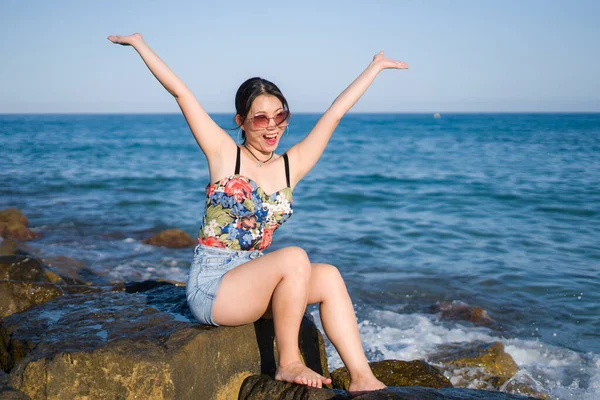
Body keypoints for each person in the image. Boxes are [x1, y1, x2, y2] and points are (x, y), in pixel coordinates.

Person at [108, 33, 408, 391]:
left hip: (252, 279)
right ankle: (289, 362)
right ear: (241, 120)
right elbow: (181, 94)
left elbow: (335, 114)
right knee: (295, 256)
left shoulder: (289, 166)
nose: (272, 127)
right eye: (260, 118)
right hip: (213, 287)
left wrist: (373, 68)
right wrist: (140, 45)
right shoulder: (224, 155)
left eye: (280, 116)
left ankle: (362, 377)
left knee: (328, 276)